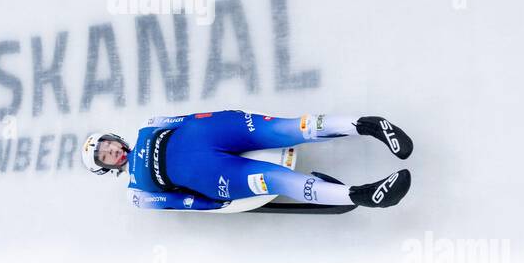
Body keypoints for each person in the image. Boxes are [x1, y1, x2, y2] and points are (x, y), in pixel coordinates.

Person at [81, 111, 413, 211]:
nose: (111, 151)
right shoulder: (137, 193)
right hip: (216, 176)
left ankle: (366, 125)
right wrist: (216, 205)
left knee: (288, 128)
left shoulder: (148, 125)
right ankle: (361, 195)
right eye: (105, 157)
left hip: (217, 131)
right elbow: (181, 202)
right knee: (277, 180)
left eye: (107, 144)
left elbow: (188, 118)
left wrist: (229, 116)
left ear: (114, 137)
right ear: (107, 168)